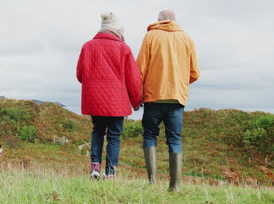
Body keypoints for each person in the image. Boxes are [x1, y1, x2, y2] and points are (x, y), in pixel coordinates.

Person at [136, 10, 200, 191]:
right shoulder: (187, 39)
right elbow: (195, 73)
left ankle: (152, 181)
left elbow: (139, 69)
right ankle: (175, 186)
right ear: (174, 21)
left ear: (159, 21)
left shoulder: (150, 36)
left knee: (150, 135)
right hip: (176, 98)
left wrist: (137, 93)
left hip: (153, 97)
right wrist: (179, 84)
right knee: (174, 139)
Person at [77, 12, 142, 180]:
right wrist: (136, 101)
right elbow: (133, 79)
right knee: (114, 136)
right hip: (116, 101)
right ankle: (111, 172)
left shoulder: (87, 46)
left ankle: (95, 168)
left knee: (97, 131)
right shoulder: (123, 48)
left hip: (94, 99)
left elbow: (80, 75)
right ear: (117, 30)